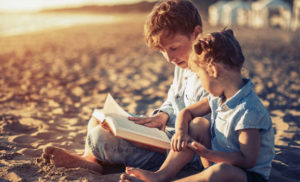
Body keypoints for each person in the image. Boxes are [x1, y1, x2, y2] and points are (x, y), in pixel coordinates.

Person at [42, 0, 208, 174]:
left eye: (173, 48)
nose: (169, 58)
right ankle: (89, 158)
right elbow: (173, 98)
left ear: (196, 33)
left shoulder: (210, 76)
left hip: (178, 151)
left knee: (99, 136)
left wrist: (142, 141)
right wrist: (163, 115)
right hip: (165, 131)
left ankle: (93, 159)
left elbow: (201, 137)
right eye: (163, 50)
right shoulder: (183, 64)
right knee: (99, 118)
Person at [120, 29, 275, 182]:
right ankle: (160, 175)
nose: (200, 82)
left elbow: (247, 160)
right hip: (214, 162)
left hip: (245, 176)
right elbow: (187, 112)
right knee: (198, 124)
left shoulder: (248, 111)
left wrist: (208, 154)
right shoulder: (218, 98)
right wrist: (181, 132)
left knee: (220, 172)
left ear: (213, 71)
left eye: (200, 76)